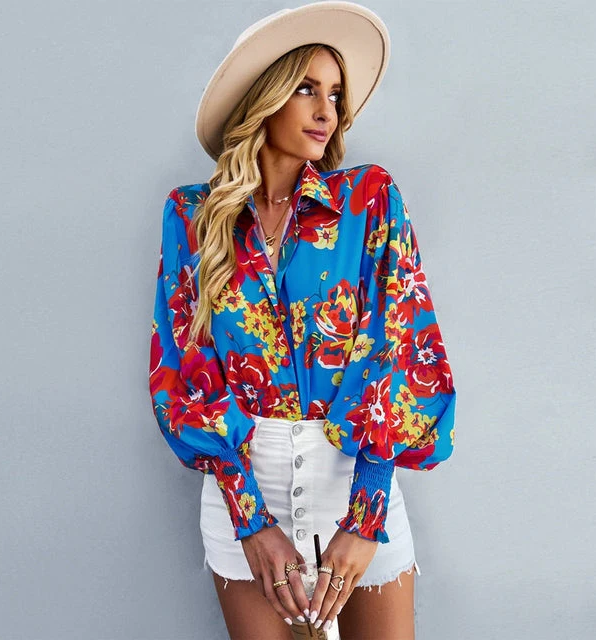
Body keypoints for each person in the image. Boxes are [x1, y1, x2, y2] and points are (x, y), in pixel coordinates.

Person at [148, 2, 457, 638]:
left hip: (353, 473)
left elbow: (400, 346)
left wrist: (366, 516)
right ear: (264, 100)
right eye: (306, 89)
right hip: (242, 482)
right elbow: (185, 368)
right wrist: (250, 522)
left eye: (336, 94)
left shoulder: (368, 201)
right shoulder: (192, 216)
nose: (327, 111)